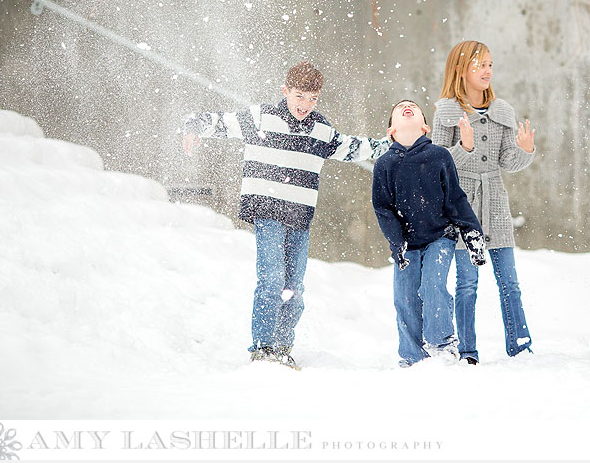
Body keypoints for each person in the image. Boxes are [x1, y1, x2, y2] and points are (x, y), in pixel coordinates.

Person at [182, 61, 390, 368]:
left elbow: (351, 147)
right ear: (285, 91)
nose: (305, 104)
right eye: (299, 96)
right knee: (272, 279)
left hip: (299, 217)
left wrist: (390, 143)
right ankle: (263, 347)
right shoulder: (261, 117)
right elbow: (221, 122)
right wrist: (193, 127)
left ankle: (281, 346)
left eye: (312, 98)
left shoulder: (321, 129)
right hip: (268, 212)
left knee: (294, 285)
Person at [431, 41, 535, 365]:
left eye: (490, 64)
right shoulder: (446, 112)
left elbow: (507, 161)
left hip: (495, 201)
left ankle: (520, 346)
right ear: (461, 70)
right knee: (467, 284)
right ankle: (468, 351)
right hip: (463, 206)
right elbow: (437, 164)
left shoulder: (502, 111)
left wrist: (525, 150)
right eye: (480, 65)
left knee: (509, 281)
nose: (487, 70)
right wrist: (465, 147)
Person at [372, 100, 487, 367]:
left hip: (440, 235)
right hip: (406, 243)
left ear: (425, 126)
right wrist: (396, 241)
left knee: (432, 285)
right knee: (405, 297)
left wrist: (472, 234)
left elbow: (455, 199)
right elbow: (383, 208)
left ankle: (442, 346)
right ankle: (412, 356)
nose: (407, 107)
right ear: (391, 130)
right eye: (400, 107)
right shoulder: (385, 164)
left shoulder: (439, 156)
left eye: (413, 106)